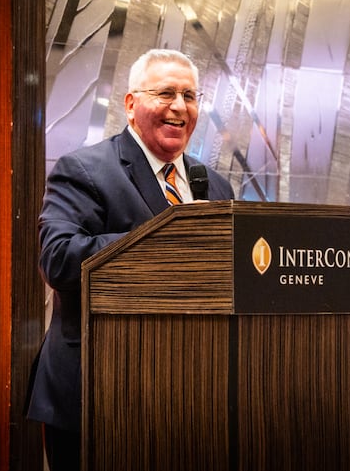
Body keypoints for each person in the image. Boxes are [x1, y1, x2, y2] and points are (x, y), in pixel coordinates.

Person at [25, 49, 234, 470]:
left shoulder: (213, 183)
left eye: (190, 96)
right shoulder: (83, 169)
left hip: (191, 397)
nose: (180, 107)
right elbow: (60, 260)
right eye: (166, 93)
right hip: (100, 392)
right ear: (131, 103)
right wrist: (167, 245)